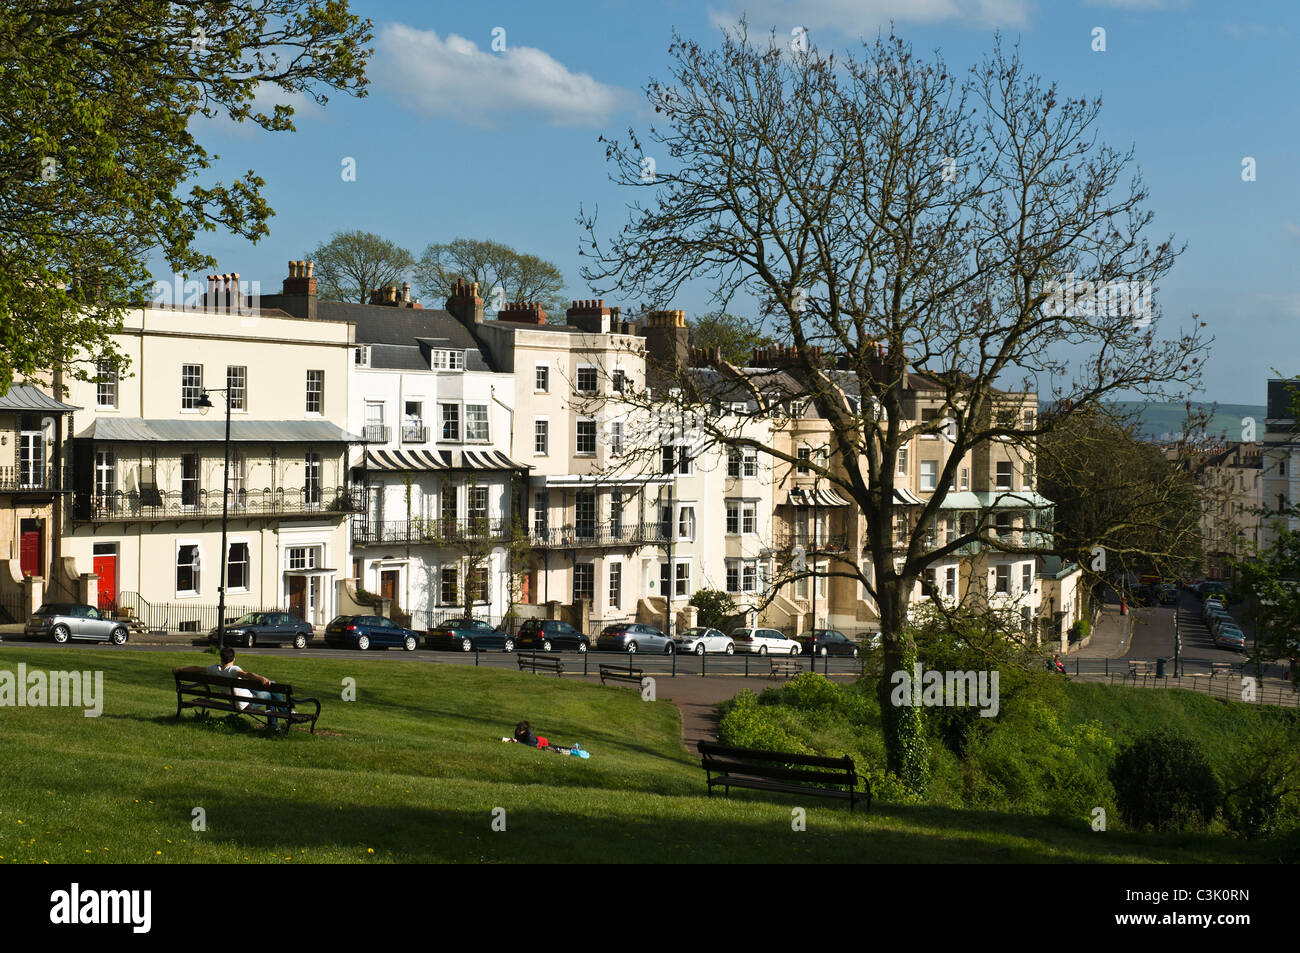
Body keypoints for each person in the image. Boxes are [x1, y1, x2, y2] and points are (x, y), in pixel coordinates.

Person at [174, 648, 286, 730]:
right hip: (245, 704)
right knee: (271, 692)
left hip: (235, 699)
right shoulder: (233, 670)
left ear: (221, 659)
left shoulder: (214, 669)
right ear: (234, 658)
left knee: (273, 685)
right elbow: (247, 674)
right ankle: (279, 719)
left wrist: (180, 669)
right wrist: (261, 678)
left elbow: (197, 668)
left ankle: (278, 720)